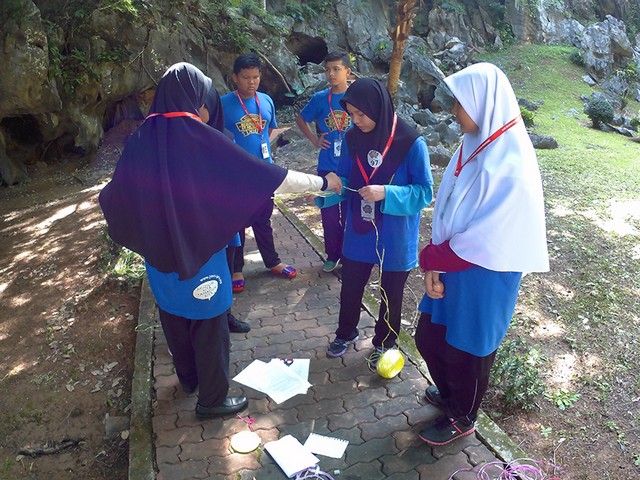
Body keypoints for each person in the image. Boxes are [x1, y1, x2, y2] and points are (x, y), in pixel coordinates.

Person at [99, 62, 341, 421]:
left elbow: (112, 196)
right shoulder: (200, 138)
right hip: (200, 255)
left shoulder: (141, 138)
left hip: (159, 258)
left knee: (173, 318)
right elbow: (268, 178)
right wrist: (323, 183)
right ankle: (212, 400)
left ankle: (189, 380)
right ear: (195, 98)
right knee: (210, 327)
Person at [414, 62, 549, 446]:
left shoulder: (512, 162)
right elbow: (449, 205)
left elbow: (491, 236)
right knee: (430, 338)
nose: (453, 111)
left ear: (483, 103)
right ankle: (451, 395)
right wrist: (435, 261)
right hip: (453, 261)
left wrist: (434, 258)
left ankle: (463, 415)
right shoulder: (475, 142)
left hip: (485, 272)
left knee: (466, 350)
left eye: (460, 103)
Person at [319, 78, 433, 366]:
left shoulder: (411, 142)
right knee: (350, 286)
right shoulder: (352, 139)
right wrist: (325, 190)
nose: (356, 121)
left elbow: (424, 192)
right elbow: (344, 180)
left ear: (378, 108)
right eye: (351, 114)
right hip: (360, 229)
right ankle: (346, 332)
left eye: (361, 114)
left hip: (394, 232)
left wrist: (386, 192)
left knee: (391, 293)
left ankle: (385, 342)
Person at [220, 53, 295, 293]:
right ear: (235, 77)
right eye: (246, 77)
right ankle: (236, 269)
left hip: (263, 172)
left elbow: (269, 131)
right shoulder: (223, 104)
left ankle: (272, 261)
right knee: (237, 222)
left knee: (263, 219)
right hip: (236, 175)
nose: (251, 82)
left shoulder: (266, 100)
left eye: (255, 77)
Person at [296, 51, 352, 273]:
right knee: (329, 214)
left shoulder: (356, 96)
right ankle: (332, 255)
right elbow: (301, 119)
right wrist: (314, 139)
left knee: (350, 213)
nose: (331, 74)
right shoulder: (320, 99)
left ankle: (349, 255)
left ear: (347, 71)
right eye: (328, 70)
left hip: (351, 166)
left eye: (336, 69)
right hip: (327, 166)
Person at [203, 86, 251, 333]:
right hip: (201, 220)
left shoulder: (226, 137)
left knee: (226, 268)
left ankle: (226, 316)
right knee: (203, 272)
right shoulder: (183, 139)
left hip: (226, 216)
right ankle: (204, 321)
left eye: (202, 105)